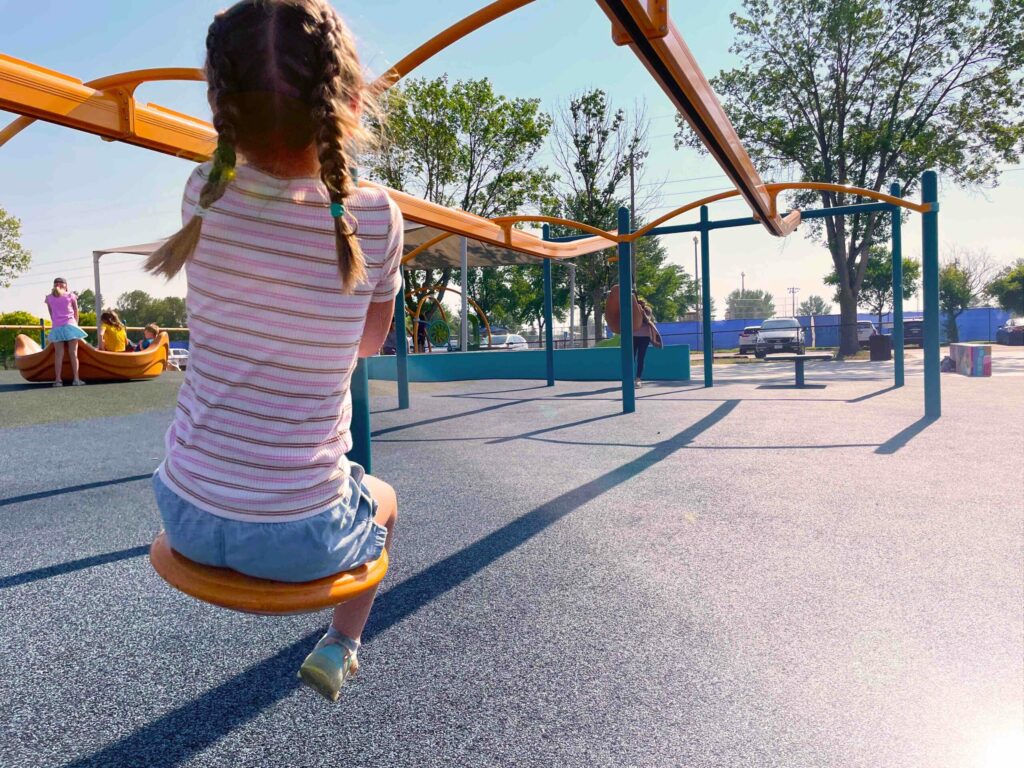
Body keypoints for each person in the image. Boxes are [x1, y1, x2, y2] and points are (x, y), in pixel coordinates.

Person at [142, 0, 401, 703]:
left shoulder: (204, 191)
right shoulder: (375, 216)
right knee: (383, 497)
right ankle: (342, 645)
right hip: (302, 535)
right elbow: (367, 344)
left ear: (220, 106)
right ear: (348, 102)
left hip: (183, 510)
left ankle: (340, 640)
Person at [43, 278, 87, 386]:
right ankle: (76, 379)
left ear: (54, 286)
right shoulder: (70, 295)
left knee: (58, 355)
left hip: (57, 327)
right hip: (70, 325)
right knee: (73, 354)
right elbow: (76, 311)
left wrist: (56, 322)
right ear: (65, 286)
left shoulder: (49, 298)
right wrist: (75, 324)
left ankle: (58, 380)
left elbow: (51, 313)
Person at [633, 295, 662, 389]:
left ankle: (638, 379)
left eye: (641, 304)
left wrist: (641, 311)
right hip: (633, 337)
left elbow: (647, 320)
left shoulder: (647, 310)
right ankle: (628, 378)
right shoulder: (633, 310)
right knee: (630, 358)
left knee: (640, 359)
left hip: (644, 338)